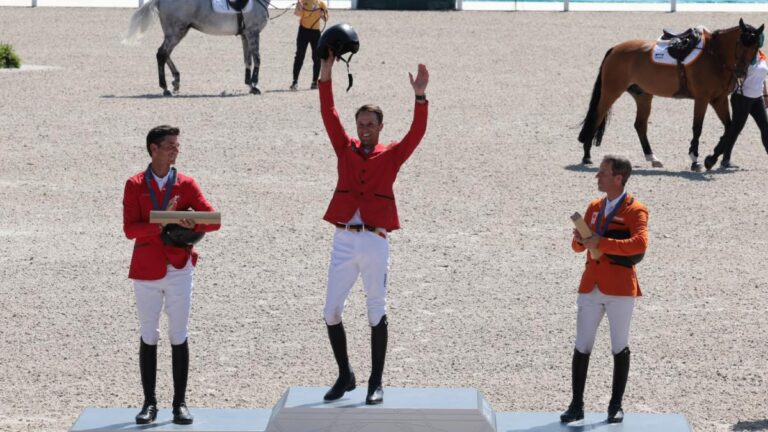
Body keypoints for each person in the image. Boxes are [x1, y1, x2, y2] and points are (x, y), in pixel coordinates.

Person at [317, 52, 429, 405]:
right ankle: (345, 374)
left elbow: (417, 132)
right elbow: (329, 114)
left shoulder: (392, 154)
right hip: (344, 239)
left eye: (370, 124)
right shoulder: (344, 147)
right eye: (360, 124)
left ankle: (375, 382)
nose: (364, 129)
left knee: (375, 310)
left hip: (375, 240)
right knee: (331, 311)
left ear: (381, 127)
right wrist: (325, 72)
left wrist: (420, 96)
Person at [122, 125, 220, 425]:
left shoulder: (187, 183)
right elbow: (129, 230)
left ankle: (180, 403)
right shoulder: (135, 184)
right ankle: (149, 403)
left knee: (179, 334)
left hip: (179, 267)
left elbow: (213, 221)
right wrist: (162, 221)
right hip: (146, 269)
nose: (175, 150)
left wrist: (191, 224)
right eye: (170, 146)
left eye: (177, 145)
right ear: (153, 148)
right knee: (149, 334)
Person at [561, 155, 648, 424]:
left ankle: (615, 405)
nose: (597, 177)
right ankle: (576, 405)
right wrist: (580, 240)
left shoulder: (636, 210)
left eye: (603, 173)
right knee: (581, 345)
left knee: (619, 345)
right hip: (591, 285)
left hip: (620, 288)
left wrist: (603, 242)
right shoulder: (594, 206)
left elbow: (639, 245)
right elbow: (577, 248)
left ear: (618, 178)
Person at [705, 35, 768, 170]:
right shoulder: (745, 58)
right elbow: (735, 74)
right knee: (734, 130)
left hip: (757, 99)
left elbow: (762, 77)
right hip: (742, 98)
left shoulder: (761, 55)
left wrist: (766, 94)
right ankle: (718, 158)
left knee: (766, 128)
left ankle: (718, 158)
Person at [290, 0, 328, 91]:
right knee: (299, 56)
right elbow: (297, 14)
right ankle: (295, 82)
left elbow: (326, 18)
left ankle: (314, 82)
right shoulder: (302, 1)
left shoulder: (321, 3)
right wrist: (299, 7)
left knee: (317, 57)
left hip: (316, 33)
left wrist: (323, 15)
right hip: (303, 31)